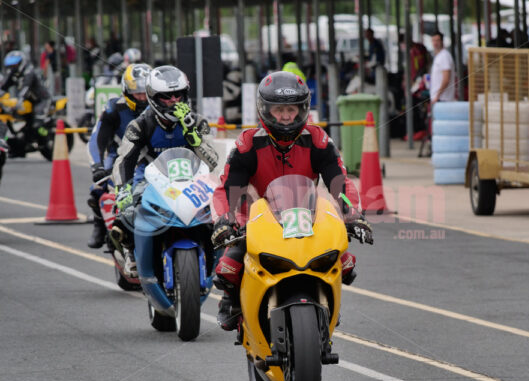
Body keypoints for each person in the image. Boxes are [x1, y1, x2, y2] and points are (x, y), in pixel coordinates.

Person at [210, 71, 374, 331]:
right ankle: (231, 301)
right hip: (259, 217)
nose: (286, 116)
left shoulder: (318, 140)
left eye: (292, 109)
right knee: (227, 268)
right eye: (279, 110)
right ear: (265, 110)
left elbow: (339, 184)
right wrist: (225, 218)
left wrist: (352, 213)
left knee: (345, 263)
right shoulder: (247, 143)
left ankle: (326, 303)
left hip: (307, 213)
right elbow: (228, 189)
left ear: (303, 109)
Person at [112, 65, 219, 274]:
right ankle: (131, 251)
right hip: (151, 181)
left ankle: (217, 254)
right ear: (153, 98)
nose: (174, 101)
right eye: (166, 97)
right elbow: (124, 161)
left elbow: (213, 160)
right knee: (127, 210)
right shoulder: (140, 125)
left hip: (192, 181)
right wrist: (122, 189)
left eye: (178, 95)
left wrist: (193, 136)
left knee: (221, 212)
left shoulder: (197, 122)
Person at [86, 63, 152, 249]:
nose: (142, 98)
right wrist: (96, 165)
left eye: (145, 93)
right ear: (126, 91)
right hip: (119, 158)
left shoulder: (162, 107)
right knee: (98, 187)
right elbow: (96, 138)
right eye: (137, 93)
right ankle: (101, 225)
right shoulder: (114, 109)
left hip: (153, 160)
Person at [0, 50, 52, 150]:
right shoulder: (13, 74)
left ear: (21, 63)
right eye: (11, 66)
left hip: (41, 100)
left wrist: (19, 100)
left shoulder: (29, 72)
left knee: (37, 125)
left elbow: (25, 88)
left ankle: (45, 139)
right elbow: (4, 86)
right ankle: (18, 142)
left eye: (15, 65)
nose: (13, 68)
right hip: (28, 101)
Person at [429, 31, 455, 105]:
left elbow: (446, 79)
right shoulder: (438, 56)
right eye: (433, 40)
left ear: (442, 41)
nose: (435, 43)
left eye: (437, 40)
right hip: (439, 99)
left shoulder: (444, 56)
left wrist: (437, 95)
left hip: (443, 99)